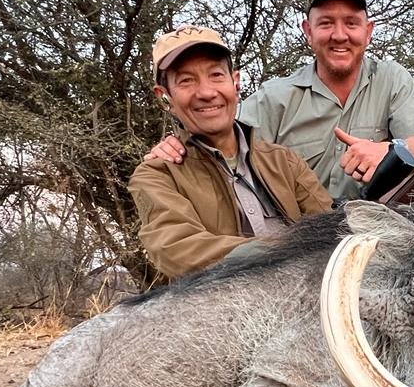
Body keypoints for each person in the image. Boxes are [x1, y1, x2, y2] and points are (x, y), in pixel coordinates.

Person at [146, 0, 414, 200]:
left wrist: (388, 150)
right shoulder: (275, 97)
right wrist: (177, 145)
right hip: (303, 238)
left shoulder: (390, 78)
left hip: (377, 225)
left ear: (368, 32)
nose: (339, 35)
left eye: (351, 23)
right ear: (308, 32)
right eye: (326, 23)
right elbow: (219, 139)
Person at [129, 25, 332, 281]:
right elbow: (175, 248)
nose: (206, 92)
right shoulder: (156, 175)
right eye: (186, 81)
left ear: (235, 82)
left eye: (216, 75)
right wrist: (280, 252)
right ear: (165, 96)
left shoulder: (284, 161)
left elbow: (331, 224)